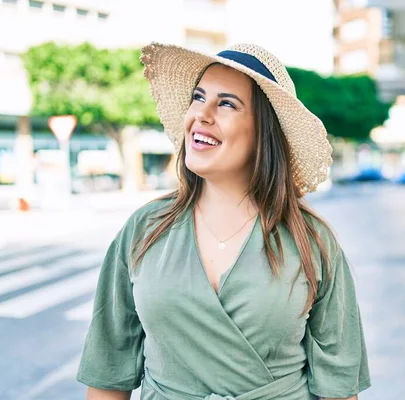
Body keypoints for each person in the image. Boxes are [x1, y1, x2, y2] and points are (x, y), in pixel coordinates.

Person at [76, 42, 371, 400]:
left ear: (264, 130)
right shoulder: (144, 229)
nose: (202, 113)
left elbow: (338, 389)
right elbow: (109, 372)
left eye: (227, 103)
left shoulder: (312, 241)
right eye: (198, 98)